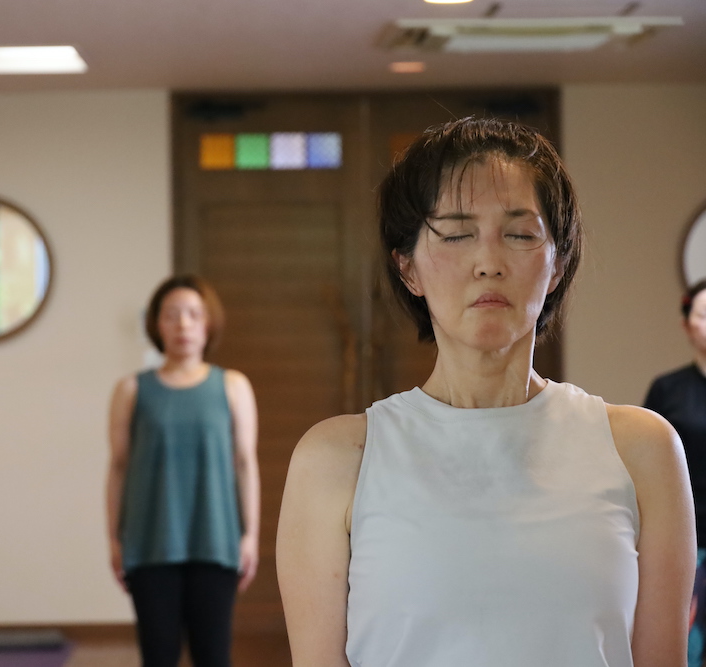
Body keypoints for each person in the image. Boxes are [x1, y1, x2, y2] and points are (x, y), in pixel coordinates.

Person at [277, 117, 695, 666]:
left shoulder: (642, 449)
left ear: (557, 264)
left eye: (520, 234)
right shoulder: (336, 459)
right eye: (456, 234)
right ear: (407, 267)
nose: (489, 263)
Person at [106, 275, 260, 667]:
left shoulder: (233, 386)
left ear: (208, 323)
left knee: (213, 656)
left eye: (193, 314)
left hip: (216, 541)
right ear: (156, 324)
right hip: (149, 544)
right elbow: (119, 467)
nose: (183, 324)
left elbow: (245, 464)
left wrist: (250, 536)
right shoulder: (131, 390)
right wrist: (114, 539)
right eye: (171, 315)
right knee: (158, 656)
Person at [644, 278, 706, 667]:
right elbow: (647, 469)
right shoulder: (668, 389)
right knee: (687, 647)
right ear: (686, 325)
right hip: (689, 540)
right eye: (704, 315)